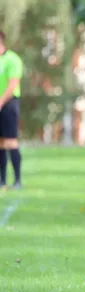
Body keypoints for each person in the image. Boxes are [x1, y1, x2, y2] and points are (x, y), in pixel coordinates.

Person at [0, 30, 24, 189]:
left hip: (8, 104)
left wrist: (0, 102)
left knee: (10, 141)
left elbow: (12, 84)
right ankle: (2, 180)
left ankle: (17, 180)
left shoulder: (12, 59)